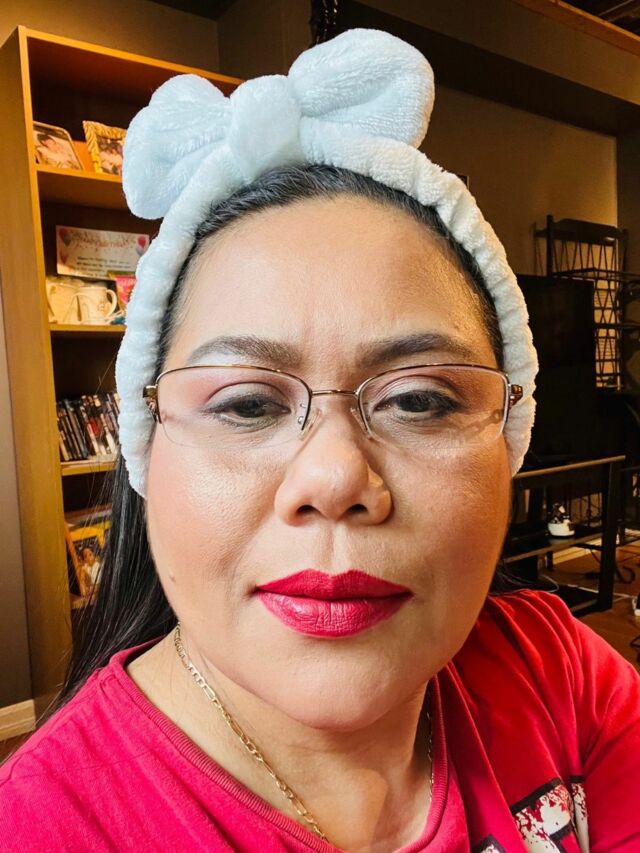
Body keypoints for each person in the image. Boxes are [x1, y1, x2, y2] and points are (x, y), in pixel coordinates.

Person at [2, 28, 639, 853]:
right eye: (245, 404)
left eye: (418, 398)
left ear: (510, 433)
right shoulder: (46, 825)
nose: (335, 475)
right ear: (145, 443)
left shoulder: (560, 672)